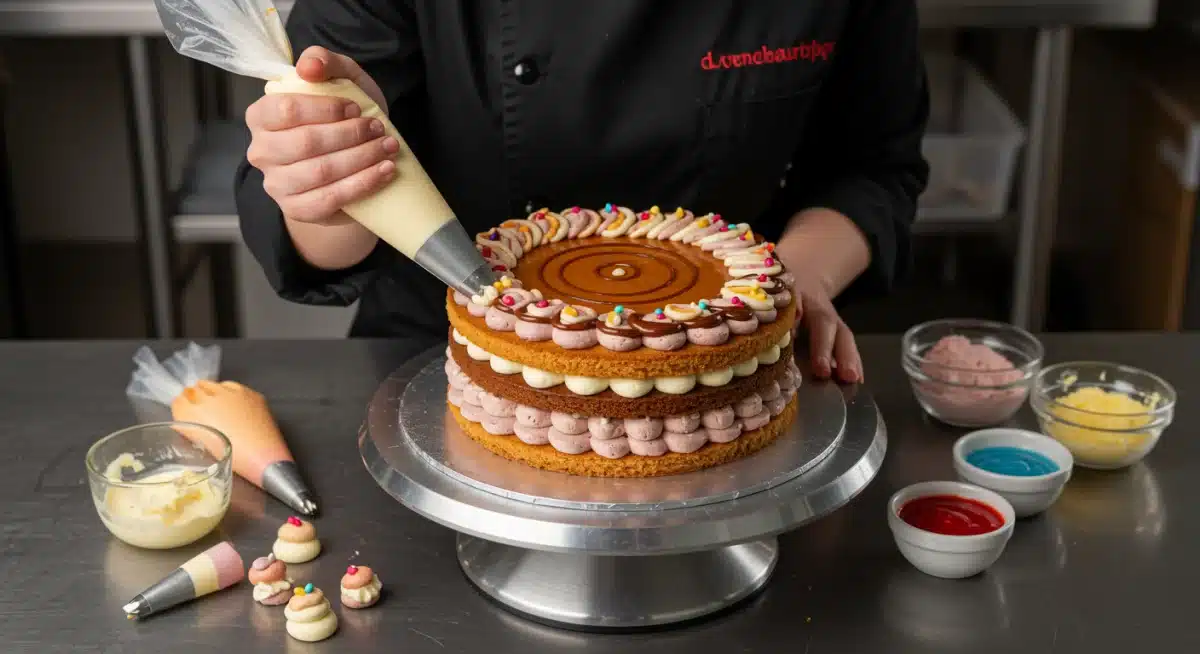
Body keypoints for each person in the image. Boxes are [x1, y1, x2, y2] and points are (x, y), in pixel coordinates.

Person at [237, 1, 929, 384]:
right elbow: (316, 222)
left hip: (733, 358)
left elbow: (873, 165)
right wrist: (327, 182)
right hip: (444, 360)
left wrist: (791, 283)